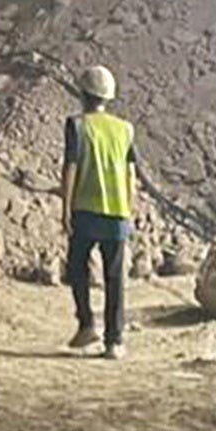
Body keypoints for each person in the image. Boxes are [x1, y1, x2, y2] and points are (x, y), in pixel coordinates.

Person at [60, 65, 136, 357]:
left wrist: (65, 209)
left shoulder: (76, 125)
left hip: (85, 210)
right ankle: (114, 341)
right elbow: (131, 175)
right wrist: (128, 210)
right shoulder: (125, 129)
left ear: (82, 93)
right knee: (115, 277)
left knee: (76, 267)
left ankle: (87, 324)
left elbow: (70, 168)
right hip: (117, 212)